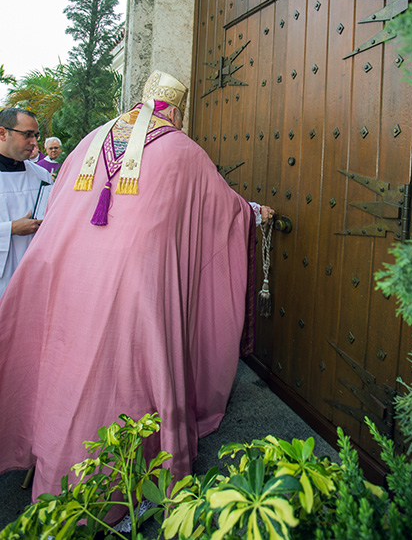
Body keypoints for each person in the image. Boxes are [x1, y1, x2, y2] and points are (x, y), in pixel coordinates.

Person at [0, 71, 273, 506]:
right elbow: (222, 209)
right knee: (118, 375)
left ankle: (50, 458)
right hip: (132, 288)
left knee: (66, 365)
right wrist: (254, 213)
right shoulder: (183, 149)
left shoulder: (92, 139)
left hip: (67, 276)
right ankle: (115, 485)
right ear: (176, 111)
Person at [0, 108, 52, 298]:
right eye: (27, 135)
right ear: (2, 133)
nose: (34, 142)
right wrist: (11, 228)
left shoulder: (41, 175)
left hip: (34, 273)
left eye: (36, 135)